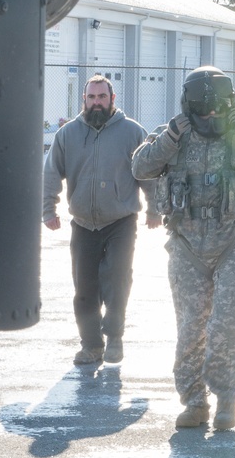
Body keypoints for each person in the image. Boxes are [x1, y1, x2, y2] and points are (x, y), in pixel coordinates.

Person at [132, 66, 235, 430]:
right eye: (204, 108)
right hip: (187, 247)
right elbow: (140, 166)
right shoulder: (173, 134)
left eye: (218, 106)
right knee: (191, 328)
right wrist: (170, 137)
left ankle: (225, 399)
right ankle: (194, 401)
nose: (212, 114)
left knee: (227, 324)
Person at [43, 75, 159, 366]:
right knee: (84, 289)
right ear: (84, 99)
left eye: (102, 97)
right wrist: (48, 209)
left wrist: (154, 208)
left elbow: (148, 172)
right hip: (83, 222)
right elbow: (51, 171)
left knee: (117, 279)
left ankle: (115, 337)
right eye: (92, 97)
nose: (97, 102)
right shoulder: (68, 134)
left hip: (121, 221)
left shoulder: (132, 131)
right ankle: (91, 346)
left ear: (112, 99)